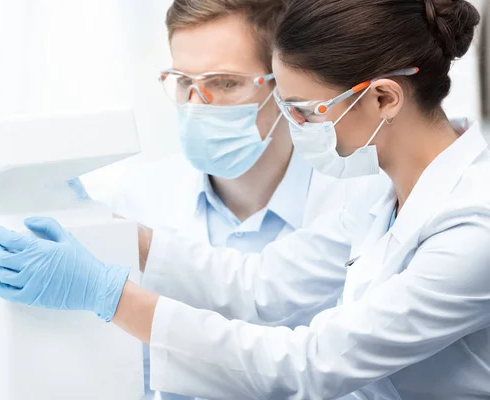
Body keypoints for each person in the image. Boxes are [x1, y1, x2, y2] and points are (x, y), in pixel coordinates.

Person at [0, 0, 490, 398]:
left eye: (305, 112)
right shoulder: (385, 191)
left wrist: (109, 296)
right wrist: (115, 231)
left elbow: (306, 365)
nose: (293, 127)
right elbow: (260, 288)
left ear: (383, 98)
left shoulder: (474, 228)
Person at [100, 1, 362, 398]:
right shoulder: (138, 198)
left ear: (285, 86)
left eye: (224, 83)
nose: (196, 104)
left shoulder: (356, 200)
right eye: (183, 81)